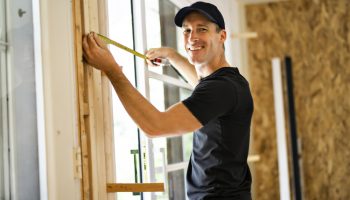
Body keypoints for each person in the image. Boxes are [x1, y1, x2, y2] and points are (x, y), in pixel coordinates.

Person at [83, 1, 253, 199]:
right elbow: (201, 86)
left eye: (202, 29)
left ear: (222, 36)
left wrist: (111, 70)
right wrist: (171, 55)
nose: (192, 37)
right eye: (187, 30)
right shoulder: (230, 81)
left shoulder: (221, 88)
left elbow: (155, 126)